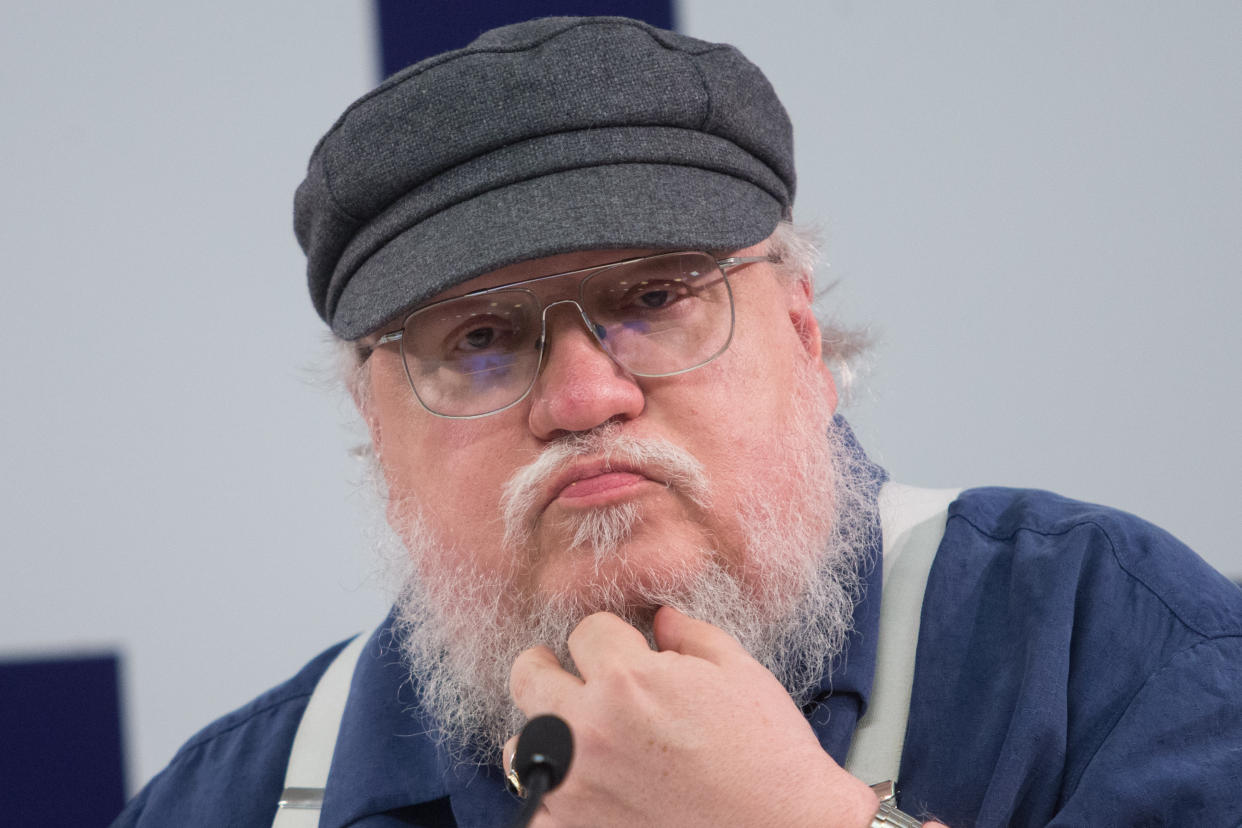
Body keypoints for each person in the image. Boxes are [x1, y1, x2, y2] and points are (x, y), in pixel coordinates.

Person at [113, 16, 1242, 828]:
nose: (582, 398)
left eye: (653, 299)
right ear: (375, 431)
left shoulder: (1108, 649)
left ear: (803, 336)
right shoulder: (238, 800)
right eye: (477, 341)